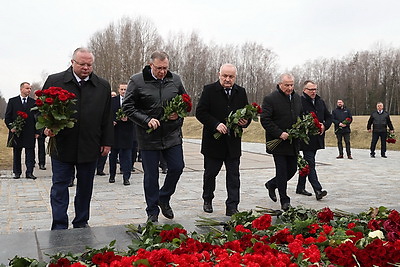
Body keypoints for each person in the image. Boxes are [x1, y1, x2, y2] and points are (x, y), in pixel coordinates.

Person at [42, 47, 113, 230]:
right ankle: (59, 224)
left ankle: (81, 222)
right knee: (60, 186)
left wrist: (107, 142)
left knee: (85, 187)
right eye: (82, 64)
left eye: (89, 64)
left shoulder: (102, 86)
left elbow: (107, 117)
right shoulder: (55, 81)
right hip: (62, 144)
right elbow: (41, 109)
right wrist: (46, 127)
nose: (86, 68)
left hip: (90, 144)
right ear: (72, 62)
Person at [122, 51, 186, 223]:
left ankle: (163, 197)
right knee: (151, 176)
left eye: (165, 68)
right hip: (148, 136)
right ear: (151, 65)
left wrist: (177, 115)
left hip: (172, 134)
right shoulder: (137, 81)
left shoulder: (176, 80)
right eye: (159, 68)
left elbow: (185, 103)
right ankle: (152, 211)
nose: (162, 72)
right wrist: (146, 120)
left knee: (177, 167)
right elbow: (128, 107)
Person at [195, 63, 250, 216]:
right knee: (210, 174)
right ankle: (207, 199)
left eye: (231, 76)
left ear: (235, 77)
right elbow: (201, 112)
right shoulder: (209, 90)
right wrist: (215, 124)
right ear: (219, 75)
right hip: (213, 142)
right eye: (224, 76)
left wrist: (245, 121)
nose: (227, 79)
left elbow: (247, 113)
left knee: (233, 176)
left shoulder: (241, 92)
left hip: (233, 143)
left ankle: (232, 206)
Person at [261, 73, 302, 211]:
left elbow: (300, 116)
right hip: (277, 142)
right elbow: (265, 120)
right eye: (287, 85)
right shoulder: (270, 99)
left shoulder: (297, 98)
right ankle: (285, 200)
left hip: (293, 142)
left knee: (292, 170)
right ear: (280, 84)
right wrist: (279, 133)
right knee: (282, 170)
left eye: (292, 85)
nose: (290, 88)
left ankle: (272, 184)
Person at [295, 80, 332, 200]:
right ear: (305, 90)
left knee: (307, 162)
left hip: (317, 138)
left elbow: (329, 117)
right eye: (311, 89)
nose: (314, 92)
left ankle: (300, 187)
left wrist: (324, 125)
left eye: (315, 89)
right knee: (310, 163)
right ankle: (318, 189)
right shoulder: (299, 101)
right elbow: (296, 119)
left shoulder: (320, 101)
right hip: (305, 139)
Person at [5, 82, 39, 179]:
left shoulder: (33, 102)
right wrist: (11, 127)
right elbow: (7, 117)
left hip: (30, 132)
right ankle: (17, 172)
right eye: (27, 88)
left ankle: (29, 172)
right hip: (17, 132)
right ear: (21, 89)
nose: (29, 90)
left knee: (30, 153)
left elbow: (37, 119)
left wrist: (37, 132)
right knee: (17, 153)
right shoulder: (13, 101)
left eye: (30, 88)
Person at [108, 83, 133, 186]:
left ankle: (126, 177)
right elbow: (107, 113)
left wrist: (129, 119)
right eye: (122, 89)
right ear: (118, 90)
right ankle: (112, 175)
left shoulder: (132, 101)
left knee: (126, 157)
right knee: (113, 156)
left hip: (127, 133)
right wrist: (111, 121)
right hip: (114, 132)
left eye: (125, 89)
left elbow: (137, 114)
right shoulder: (112, 101)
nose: (123, 91)